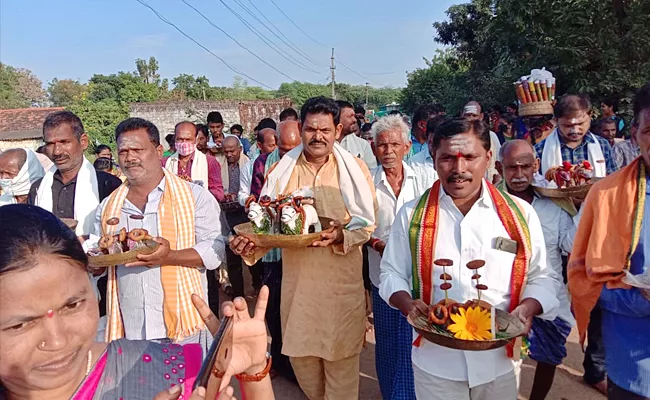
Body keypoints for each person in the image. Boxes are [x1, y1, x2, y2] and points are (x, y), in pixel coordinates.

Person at [0, 204, 274, 400]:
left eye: (72, 305)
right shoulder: (111, 205)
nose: (57, 341)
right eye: (20, 325)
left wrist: (254, 376)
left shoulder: (170, 371)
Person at [379, 118, 560, 400]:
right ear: (434, 159)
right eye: (448, 158)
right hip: (436, 364)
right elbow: (390, 273)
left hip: (500, 361)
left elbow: (542, 276)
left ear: (488, 158)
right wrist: (407, 303)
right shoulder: (412, 216)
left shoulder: (519, 215)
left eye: (470, 157)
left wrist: (527, 308)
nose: (459, 169)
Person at [230, 96, 377, 400]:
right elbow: (268, 228)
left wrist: (340, 236)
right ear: (301, 127)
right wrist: (249, 243)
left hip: (341, 294)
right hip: (299, 297)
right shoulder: (282, 171)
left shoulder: (356, 169)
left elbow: (366, 225)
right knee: (306, 376)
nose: (318, 136)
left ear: (338, 130)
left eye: (325, 129)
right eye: (311, 129)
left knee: (342, 386)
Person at [93, 117, 225, 351]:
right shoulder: (108, 207)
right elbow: (102, 258)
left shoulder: (194, 197)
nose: (130, 157)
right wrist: (94, 262)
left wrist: (169, 257)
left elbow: (214, 251)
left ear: (158, 150)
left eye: (138, 149)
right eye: (123, 151)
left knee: (189, 388)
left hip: (185, 326)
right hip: (129, 327)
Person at [568, 82, 650, 400]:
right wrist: (639, 299)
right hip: (634, 372)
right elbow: (582, 281)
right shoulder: (605, 195)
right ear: (634, 134)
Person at [497, 140, 577, 400]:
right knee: (503, 360)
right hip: (504, 295)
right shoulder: (490, 203)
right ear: (499, 167)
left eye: (525, 167)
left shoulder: (554, 204)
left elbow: (570, 244)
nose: (519, 175)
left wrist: (586, 205)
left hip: (549, 295)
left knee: (548, 356)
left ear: (536, 166)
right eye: (512, 168)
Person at [368, 115, 424, 400]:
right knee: (388, 343)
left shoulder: (425, 178)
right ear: (373, 147)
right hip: (382, 277)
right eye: (382, 145)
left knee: (416, 342)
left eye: (394, 144)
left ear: (407, 146)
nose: (388, 151)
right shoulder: (367, 181)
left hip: (420, 279)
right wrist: (378, 244)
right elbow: (357, 225)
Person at [248, 119, 302, 382]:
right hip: (272, 251)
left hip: (302, 253)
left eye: (294, 147)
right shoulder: (263, 164)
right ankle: (280, 362)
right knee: (273, 308)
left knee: (298, 309)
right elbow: (254, 202)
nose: (288, 153)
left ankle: (300, 364)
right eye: (283, 149)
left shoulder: (308, 163)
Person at [28, 110, 122, 237]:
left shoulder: (109, 185)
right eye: (50, 144)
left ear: (83, 142)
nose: (57, 151)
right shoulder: (38, 189)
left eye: (64, 142)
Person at [535, 94, 617, 180]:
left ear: (590, 116)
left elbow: (613, 179)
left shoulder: (602, 145)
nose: (575, 130)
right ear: (556, 120)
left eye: (580, 124)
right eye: (567, 126)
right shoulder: (541, 150)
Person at [221, 135, 256, 299]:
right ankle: (238, 294)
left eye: (232, 151)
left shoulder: (249, 165)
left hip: (245, 214)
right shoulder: (219, 166)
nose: (228, 155)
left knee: (251, 251)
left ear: (240, 150)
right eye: (226, 152)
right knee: (232, 253)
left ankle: (257, 285)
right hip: (227, 214)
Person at [163, 121, 225, 201]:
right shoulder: (165, 163)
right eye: (180, 139)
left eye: (188, 139)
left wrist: (196, 190)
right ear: (175, 139)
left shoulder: (209, 162)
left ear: (195, 140)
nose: (184, 143)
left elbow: (218, 194)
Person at [462, 101, 502, 183]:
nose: (470, 118)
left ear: (481, 116)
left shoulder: (491, 136)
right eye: (467, 115)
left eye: (474, 115)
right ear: (462, 116)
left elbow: (499, 160)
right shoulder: (458, 138)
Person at [238, 128, 277, 207]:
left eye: (277, 145)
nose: (275, 149)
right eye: (271, 146)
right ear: (259, 145)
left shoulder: (281, 161)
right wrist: (249, 200)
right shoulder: (248, 167)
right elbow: (243, 193)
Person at [336, 100, 377, 170]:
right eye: (350, 116)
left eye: (354, 116)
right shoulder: (324, 144)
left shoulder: (362, 145)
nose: (354, 120)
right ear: (336, 118)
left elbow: (371, 172)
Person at [407, 115, 445, 190]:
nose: (432, 146)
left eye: (436, 142)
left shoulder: (455, 162)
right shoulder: (414, 163)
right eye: (430, 142)